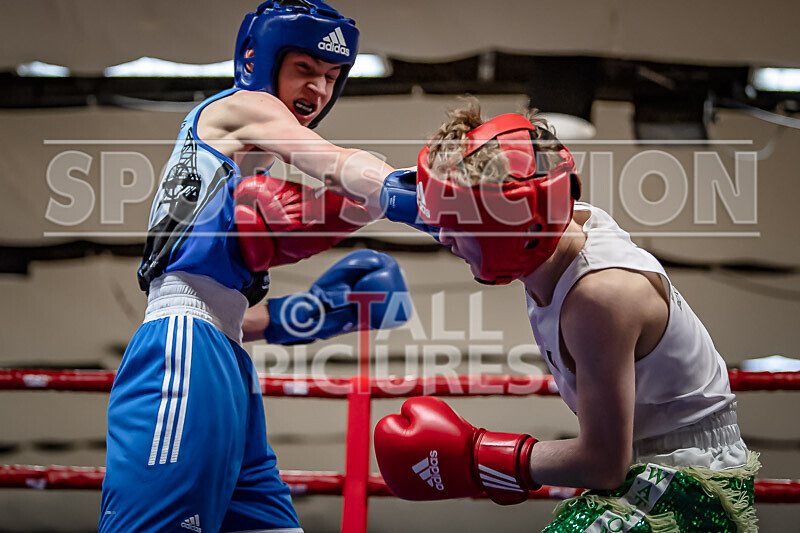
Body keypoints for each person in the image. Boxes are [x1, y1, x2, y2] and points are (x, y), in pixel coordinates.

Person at [372, 103, 760, 532]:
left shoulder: (600, 298)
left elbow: (602, 464)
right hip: (641, 462)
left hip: (687, 480)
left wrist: (476, 456)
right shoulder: (550, 219)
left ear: (509, 231)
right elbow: (375, 180)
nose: (441, 236)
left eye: (455, 224)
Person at [99, 1, 408, 531]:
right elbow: (333, 164)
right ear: (256, 60)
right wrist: (414, 193)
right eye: (305, 70)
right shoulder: (243, 107)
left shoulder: (240, 164)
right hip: (183, 352)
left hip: (224, 357)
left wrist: (306, 315)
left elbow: (351, 201)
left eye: (332, 77)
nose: (318, 91)